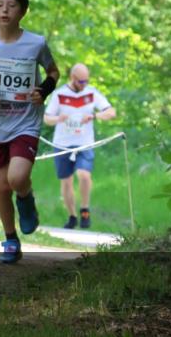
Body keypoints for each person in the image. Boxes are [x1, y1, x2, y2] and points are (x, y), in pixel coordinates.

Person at [0, 0, 59, 264]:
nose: (5, 10)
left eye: (11, 5)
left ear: (22, 10)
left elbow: (53, 72)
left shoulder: (36, 43)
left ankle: (26, 196)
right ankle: (10, 238)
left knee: (16, 178)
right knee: (1, 188)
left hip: (25, 122)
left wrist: (43, 90)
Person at [44, 63, 117, 229]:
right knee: (66, 181)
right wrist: (58, 119)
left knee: (84, 175)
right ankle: (72, 216)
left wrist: (94, 116)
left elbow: (111, 112)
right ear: (72, 78)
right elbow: (47, 118)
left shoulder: (91, 93)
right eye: (81, 82)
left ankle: (84, 209)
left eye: (86, 81)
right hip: (62, 143)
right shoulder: (59, 94)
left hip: (84, 143)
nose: (84, 85)